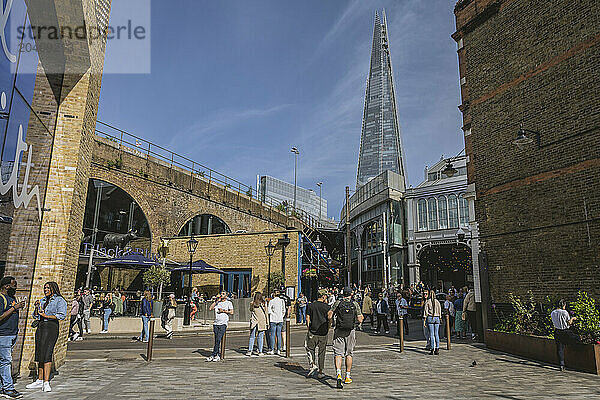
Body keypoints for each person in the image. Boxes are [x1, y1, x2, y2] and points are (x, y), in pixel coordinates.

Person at [26, 282, 67, 393]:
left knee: (47, 353)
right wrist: (36, 308)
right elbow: (36, 315)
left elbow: (62, 315)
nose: (45, 290)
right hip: (41, 326)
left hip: (51, 327)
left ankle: (46, 381)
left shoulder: (60, 300)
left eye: (48, 288)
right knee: (39, 353)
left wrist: (46, 316)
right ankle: (39, 379)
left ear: (53, 289)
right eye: (44, 288)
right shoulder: (43, 300)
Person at [328, 287, 363, 389]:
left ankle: (338, 373)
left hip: (339, 330)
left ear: (343, 294)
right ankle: (347, 376)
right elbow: (360, 319)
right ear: (351, 294)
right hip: (350, 331)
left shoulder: (338, 303)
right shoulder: (355, 304)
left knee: (338, 353)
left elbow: (330, 315)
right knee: (349, 353)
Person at [0, 276, 25, 398]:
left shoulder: (12, 298)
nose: (15, 288)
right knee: (6, 361)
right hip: (3, 334)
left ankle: (1, 386)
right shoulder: (1, 298)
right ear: (6, 286)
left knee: (3, 361)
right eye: (14, 286)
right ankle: (8, 389)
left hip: (12, 334)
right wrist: (15, 308)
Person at [305, 289, 330, 379]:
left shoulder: (311, 306)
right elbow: (329, 319)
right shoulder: (327, 307)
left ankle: (312, 364)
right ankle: (320, 371)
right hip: (323, 332)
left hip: (313, 330)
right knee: (322, 352)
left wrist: (309, 327)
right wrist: (328, 328)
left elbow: (307, 318)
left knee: (309, 348)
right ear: (323, 296)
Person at [551, 299, 580, 371]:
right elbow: (569, 323)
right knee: (578, 338)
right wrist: (573, 318)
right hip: (565, 331)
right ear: (562, 305)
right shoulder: (564, 312)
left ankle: (561, 365)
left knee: (560, 348)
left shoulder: (553, 312)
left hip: (557, 331)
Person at [207, 291, 233, 362]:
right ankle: (215, 354)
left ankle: (215, 354)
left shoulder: (228, 303)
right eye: (221, 294)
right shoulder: (217, 303)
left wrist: (223, 311)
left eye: (223, 294)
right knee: (216, 340)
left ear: (226, 296)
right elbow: (210, 308)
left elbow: (231, 312)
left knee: (218, 339)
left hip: (223, 323)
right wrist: (216, 301)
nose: (221, 295)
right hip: (216, 323)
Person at [247, 292, 268, 356]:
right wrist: (267, 322)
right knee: (260, 337)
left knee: (252, 337)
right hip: (262, 321)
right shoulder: (264, 303)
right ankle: (260, 351)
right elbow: (266, 313)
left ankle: (250, 350)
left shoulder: (252, 303)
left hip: (254, 321)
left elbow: (250, 310)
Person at [267, 289, 286, 355]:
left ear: (274, 294)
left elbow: (269, 310)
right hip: (280, 319)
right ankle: (278, 349)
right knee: (279, 335)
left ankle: (272, 349)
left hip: (273, 319)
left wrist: (273, 314)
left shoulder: (271, 301)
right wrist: (281, 316)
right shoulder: (282, 301)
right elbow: (284, 310)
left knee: (272, 335)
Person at [424, 289, 442, 355]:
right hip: (437, 318)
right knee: (436, 334)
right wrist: (440, 317)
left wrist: (424, 320)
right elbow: (440, 310)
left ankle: (432, 348)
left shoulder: (428, 302)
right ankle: (437, 348)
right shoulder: (437, 301)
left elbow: (425, 312)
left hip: (430, 317)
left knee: (431, 334)